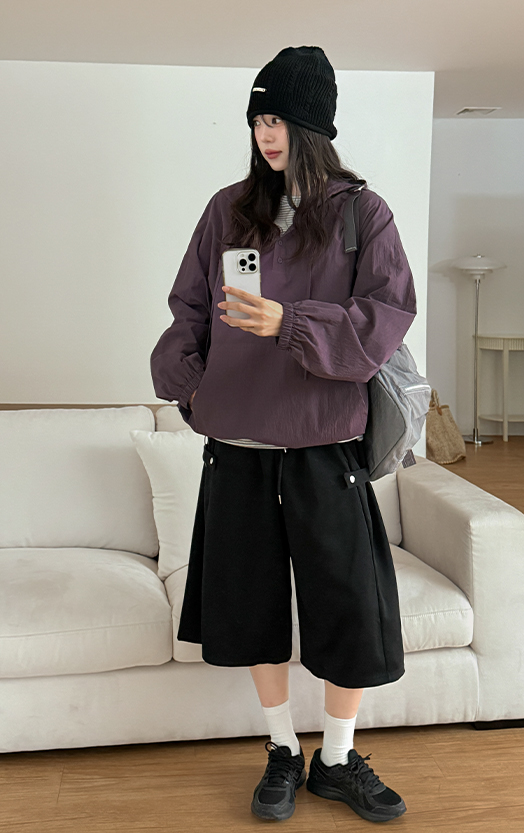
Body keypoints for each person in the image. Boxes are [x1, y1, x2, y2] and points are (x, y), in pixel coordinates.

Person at [150, 45, 417, 824]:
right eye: (259, 118)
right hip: (238, 450)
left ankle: (336, 757)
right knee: (250, 607)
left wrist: (290, 322)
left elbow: (385, 317)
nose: (267, 134)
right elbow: (188, 308)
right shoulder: (228, 209)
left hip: (326, 447)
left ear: (315, 128)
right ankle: (280, 748)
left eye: (282, 120)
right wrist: (189, 381)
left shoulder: (363, 215)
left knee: (348, 607)